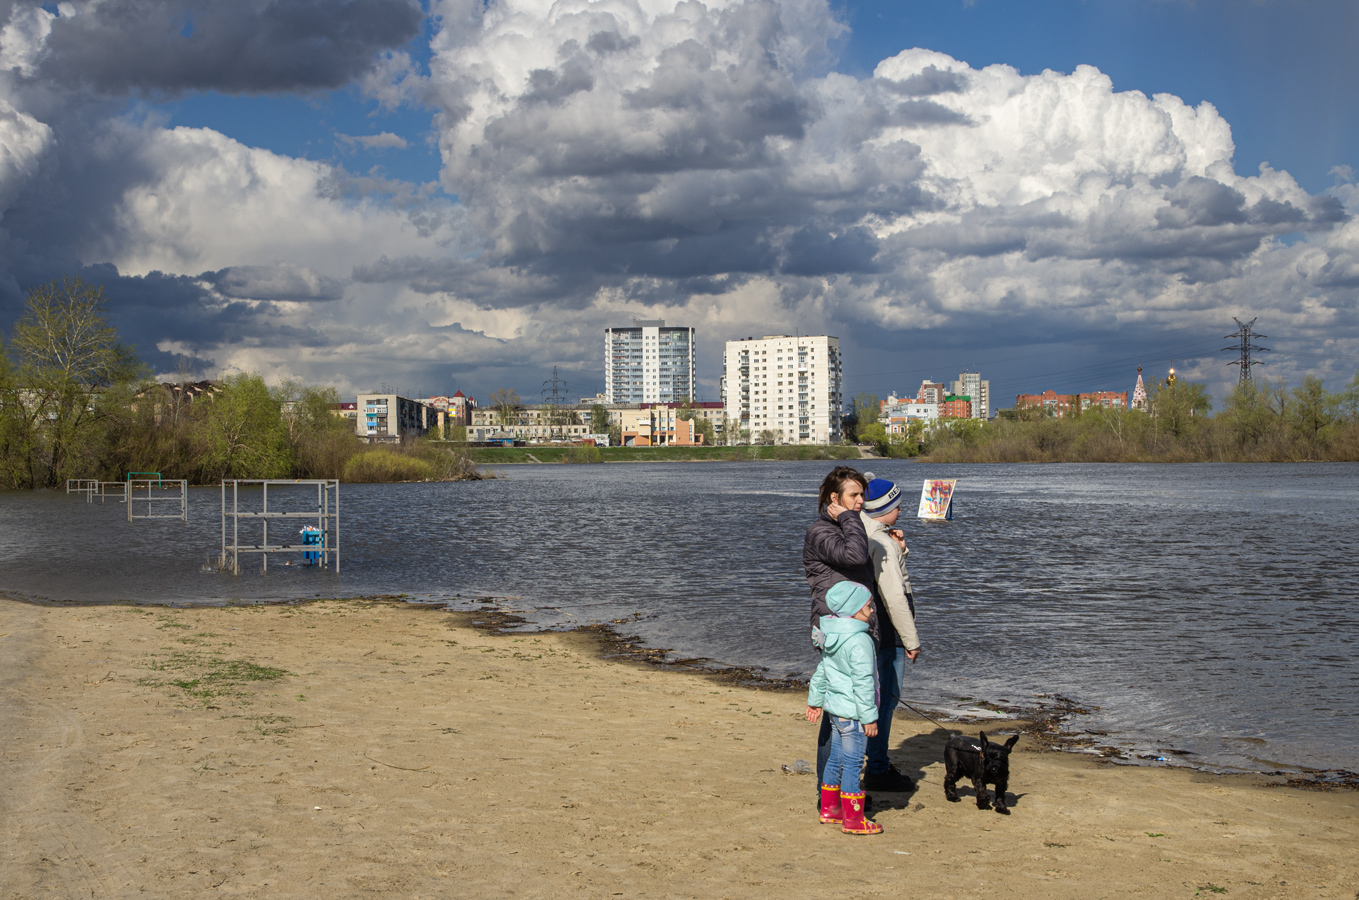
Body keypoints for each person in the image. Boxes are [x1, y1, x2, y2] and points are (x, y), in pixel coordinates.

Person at [803, 466, 889, 795]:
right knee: (837, 710)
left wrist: (888, 539)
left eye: (862, 495)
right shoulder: (820, 532)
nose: (861, 501)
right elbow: (854, 554)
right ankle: (829, 791)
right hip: (835, 629)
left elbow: (861, 552)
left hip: (848, 628)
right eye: (854, 495)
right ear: (834, 499)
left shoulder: (841, 526)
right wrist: (850, 520)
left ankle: (834, 791)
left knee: (844, 706)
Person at [858, 473, 921, 793]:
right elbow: (895, 595)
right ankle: (878, 768)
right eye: (897, 506)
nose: (901, 511)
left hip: (869, 626)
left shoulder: (865, 533)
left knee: (872, 696)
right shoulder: (881, 541)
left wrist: (901, 550)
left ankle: (874, 760)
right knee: (887, 698)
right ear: (885, 508)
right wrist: (911, 641)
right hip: (888, 628)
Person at [805, 581, 883, 835]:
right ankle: (853, 819)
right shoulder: (860, 640)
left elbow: (822, 672)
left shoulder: (833, 634)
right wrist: (869, 718)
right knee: (852, 762)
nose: (872, 610)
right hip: (853, 715)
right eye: (868, 606)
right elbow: (863, 683)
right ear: (854, 610)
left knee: (836, 758)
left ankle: (830, 809)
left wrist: (816, 702)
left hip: (835, 711)